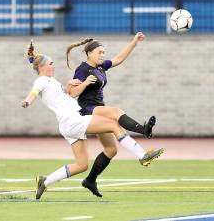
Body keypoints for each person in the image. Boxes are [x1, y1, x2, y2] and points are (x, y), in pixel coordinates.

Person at [22, 42, 164, 200]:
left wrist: (69, 85)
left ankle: (44, 181)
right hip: (72, 120)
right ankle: (142, 155)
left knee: (82, 165)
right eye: (51, 63)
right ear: (42, 66)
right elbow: (34, 92)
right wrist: (28, 101)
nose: (53, 66)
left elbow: (67, 95)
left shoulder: (52, 81)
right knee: (112, 124)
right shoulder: (41, 80)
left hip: (68, 123)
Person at [66, 32, 159, 197]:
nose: (102, 55)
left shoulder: (101, 67)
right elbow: (72, 93)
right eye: (99, 52)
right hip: (86, 109)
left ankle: (90, 180)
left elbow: (119, 59)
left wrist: (134, 42)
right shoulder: (82, 69)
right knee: (116, 112)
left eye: (103, 52)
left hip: (98, 108)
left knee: (111, 149)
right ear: (89, 53)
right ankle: (144, 132)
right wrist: (85, 82)